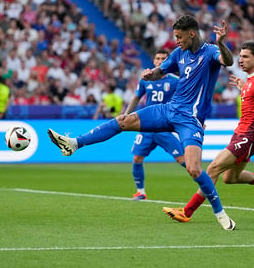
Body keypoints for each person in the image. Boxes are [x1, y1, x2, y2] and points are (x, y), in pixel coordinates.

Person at [48, 14, 237, 230]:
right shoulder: (179, 54)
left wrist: (221, 43)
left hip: (190, 119)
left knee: (194, 169)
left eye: (179, 37)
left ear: (191, 33)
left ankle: (220, 212)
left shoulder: (211, 52)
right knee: (123, 121)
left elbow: (228, 61)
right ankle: (74, 144)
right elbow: (160, 72)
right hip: (167, 110)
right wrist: (150, 75)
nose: (176, 41)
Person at [163, 41, 254, 224]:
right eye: (240, 56)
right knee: (230, 177)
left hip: (251, 135)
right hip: (241, 134)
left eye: (245, 56)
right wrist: (243, 88)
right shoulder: (250, 80)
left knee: (213, 168)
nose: (241, 60)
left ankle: (187, 211)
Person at [125, 50, 185, 200]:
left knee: (182, 160)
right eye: (157, 58)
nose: (159, 61)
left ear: (168, 61)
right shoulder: (145, 79)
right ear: (154, 61)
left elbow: (185, 101)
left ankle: (204, 180)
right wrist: (126, 115)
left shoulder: (175, 81)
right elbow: (136, 98)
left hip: (164, 127)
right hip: (146, 127)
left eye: (163, 59)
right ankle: (141, 192)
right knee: (137, 158)